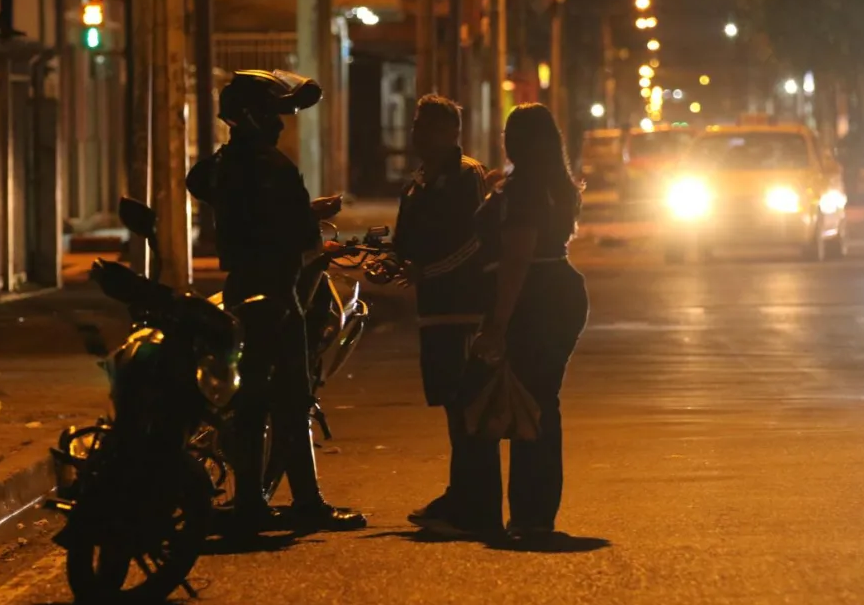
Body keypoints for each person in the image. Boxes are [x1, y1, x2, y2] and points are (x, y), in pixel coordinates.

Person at [185, 69, 366, 532]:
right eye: (272, 114)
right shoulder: (273, 166)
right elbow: (303, 238)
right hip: (280, 293)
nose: (280, 124)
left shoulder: (226, 164)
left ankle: (258, 501)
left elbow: (205, 185)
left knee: (253, 398)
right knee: (290, 397)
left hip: (243, 287)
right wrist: (314, 225)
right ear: (251, 117)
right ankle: (293, 503)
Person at [466, 103, 589, 538]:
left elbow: (517, 257)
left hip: (534, 296)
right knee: (540, 401)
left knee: (526, 404)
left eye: (508, 133)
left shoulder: (523, 190)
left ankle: (524, 513)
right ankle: (533, 512)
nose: (504, 139)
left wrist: (497, 322)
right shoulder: (555, 184)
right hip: (562, 291)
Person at [391, 95, 494, 533]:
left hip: (463, 309)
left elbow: (473, 242)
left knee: (468, 409)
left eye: (428, 126)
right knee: (451, 409)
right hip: (432, 312)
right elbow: (406, 241)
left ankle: (475, 505)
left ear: (452, 133)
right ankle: (461, 496)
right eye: (417, 125)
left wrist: (427, 271)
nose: (418, 134)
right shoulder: (417, 181)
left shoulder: (466, 176)